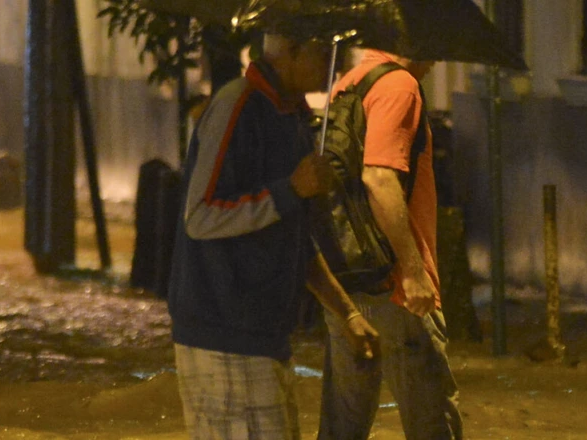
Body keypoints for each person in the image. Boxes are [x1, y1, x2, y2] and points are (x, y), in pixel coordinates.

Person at [167, 31, 380, 440]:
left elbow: (293, 237)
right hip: (225, 330)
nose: (334, 63)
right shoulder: (239, 106)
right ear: (290, 52)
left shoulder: (291, 117)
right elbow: (200, 215)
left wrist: (347, 313)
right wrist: (290, 190)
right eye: (323, 51)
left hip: (264, 335)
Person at [315, 48, 462, 440]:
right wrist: (414, 273)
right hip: (394, 287)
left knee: (343, 425)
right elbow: (379, 177)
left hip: (348, 277)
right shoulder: (400, 86)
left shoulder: (348, 83)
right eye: (433, 44)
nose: (437, 58)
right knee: (432, 422)